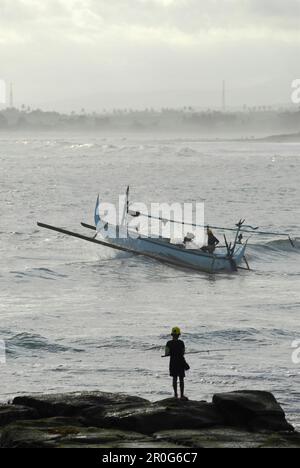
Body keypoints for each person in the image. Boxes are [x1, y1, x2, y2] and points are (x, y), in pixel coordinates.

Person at [165, 327, 188, 400]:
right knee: (181, 379)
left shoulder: (168, 343)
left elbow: (167, 353)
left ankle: (175, 395)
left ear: (172, 334)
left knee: (174, 378)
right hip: (181, 362)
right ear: (179, 335)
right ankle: (182, 395)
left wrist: (170, 354)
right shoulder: (181, 342)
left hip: (173, 362)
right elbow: (183, 352)